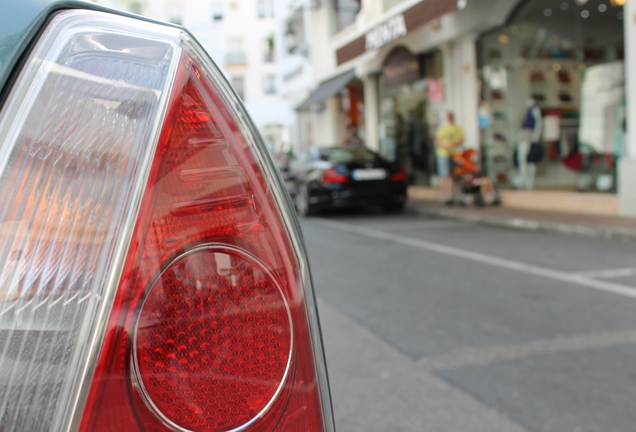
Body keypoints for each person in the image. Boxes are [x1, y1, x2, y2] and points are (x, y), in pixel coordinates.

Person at [435, 111, 464, 205]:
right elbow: (438, 142)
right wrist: (446, 147)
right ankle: (444, 196)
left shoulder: (458, 128)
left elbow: (461, 140)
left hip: (454, 154)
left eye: (450, 117)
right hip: (443, 154)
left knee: (453, 176)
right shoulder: (442, 129)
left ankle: (452, 196)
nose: (449, 119)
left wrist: (453, 144)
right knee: (444, 176)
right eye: (448, 117)